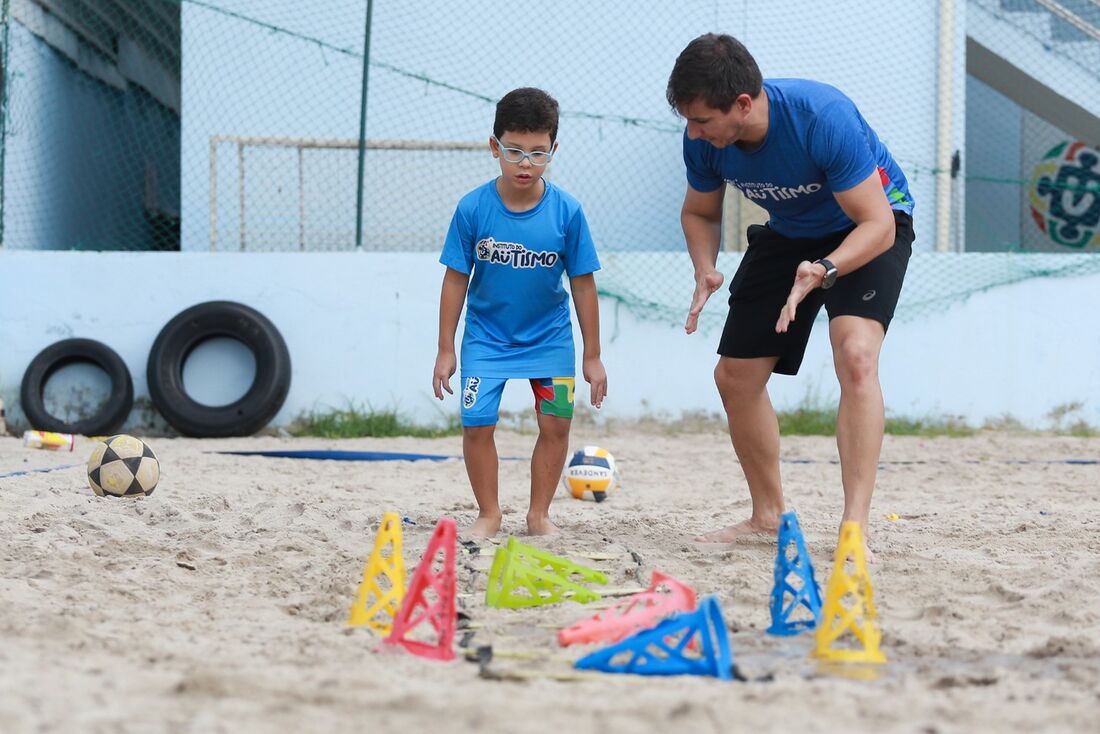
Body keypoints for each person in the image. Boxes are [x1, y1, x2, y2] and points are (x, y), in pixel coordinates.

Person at [666, 34, 915, 558]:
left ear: (742, 104)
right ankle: (767, 514)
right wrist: (705, 266)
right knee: (734, 376)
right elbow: (700, 212)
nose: (692, 131)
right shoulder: (703, 141)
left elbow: (878, 224)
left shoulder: (821, 117)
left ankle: (854, 526)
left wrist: (824, 269)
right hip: (790, 233)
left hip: (869, 225)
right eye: (687, 119)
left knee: (856, 356)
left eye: (702, 120)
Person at [433, 87, 607, 538]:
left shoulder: (568, 212)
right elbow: (455, 279)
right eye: (513, 151)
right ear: (494, 148)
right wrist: (444, 349)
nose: (525, 163)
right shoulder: (472, 209)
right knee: (476, 425)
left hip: (550, 340)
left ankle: (539, 515)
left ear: (553, 149)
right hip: (486, 340)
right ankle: (489, 513)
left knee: (556, 424)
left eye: (537, 152)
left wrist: (593, 355)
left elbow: (583, 285)